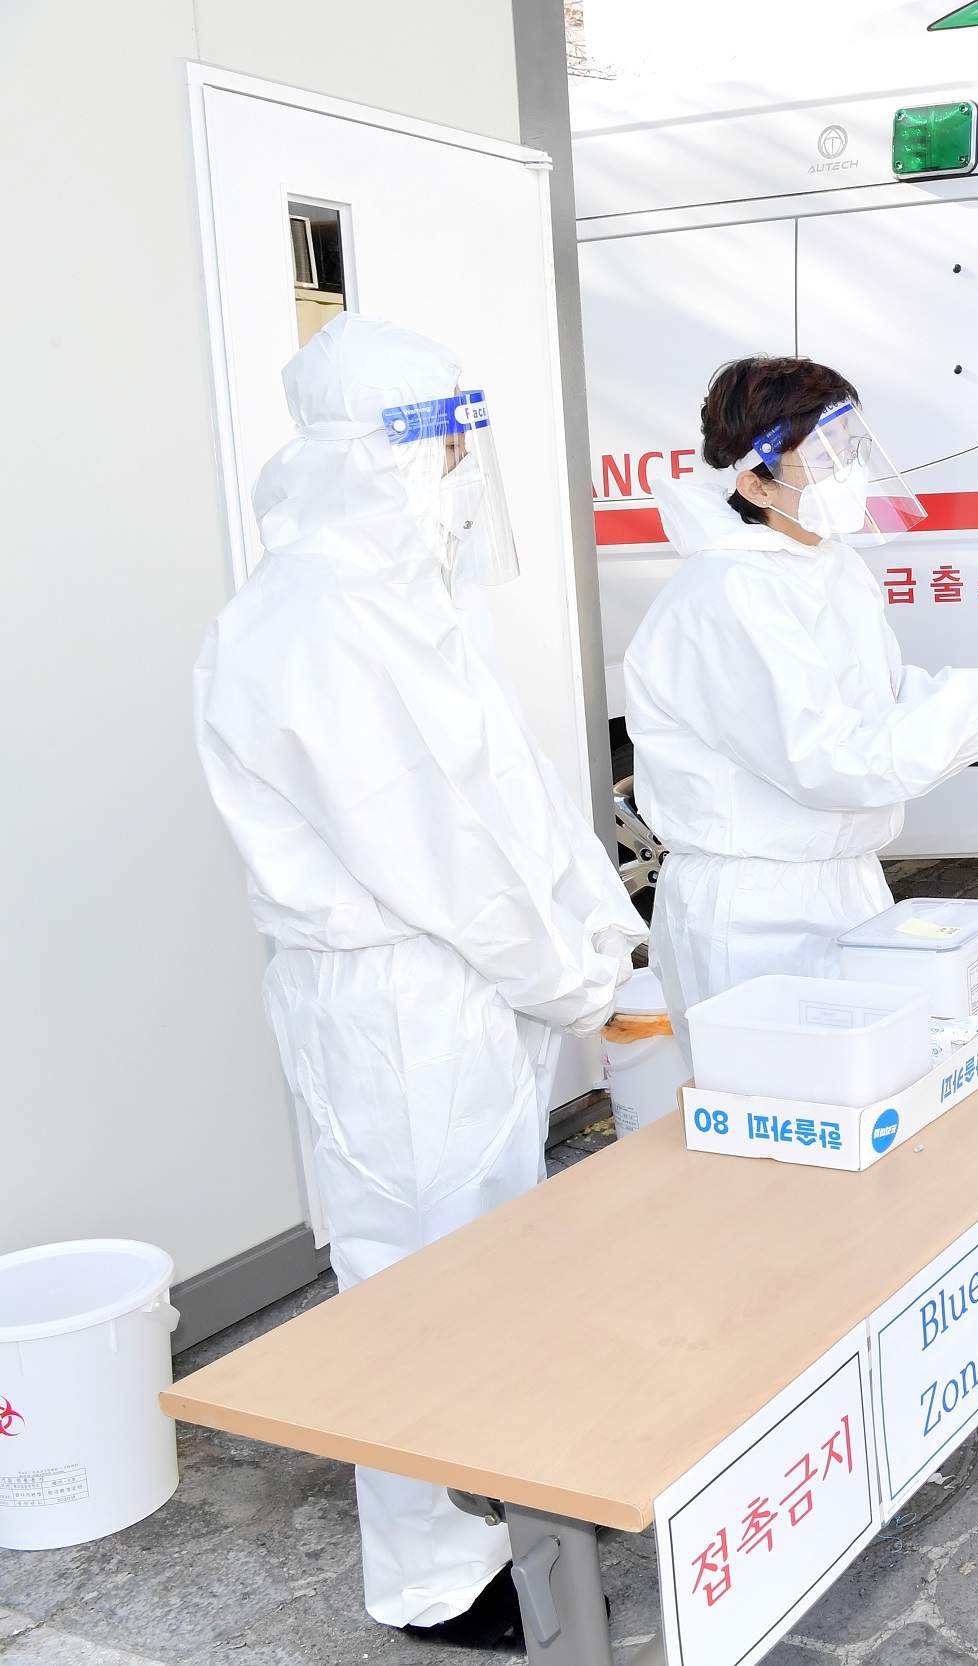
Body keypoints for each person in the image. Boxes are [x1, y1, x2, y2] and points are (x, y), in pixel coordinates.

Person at [195, 315, 646, 1647]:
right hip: (396, 1004)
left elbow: (512, 797)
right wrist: (578, 982)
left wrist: (595, 932)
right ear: (375, 457)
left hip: (460, 989)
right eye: (445, 449)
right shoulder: (311, 621)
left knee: (491, 1269)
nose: (460, 475)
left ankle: (515, 1511)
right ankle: (433, 1576)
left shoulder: (400, 603)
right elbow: (438, 853)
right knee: (416, 1290)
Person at [626, 356, 978, 1023]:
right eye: (822, 458)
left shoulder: (829, 565)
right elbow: (831, 761)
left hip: (845, 882)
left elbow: (885, 699)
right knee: (783, 1079)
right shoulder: (730, 594)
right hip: (756, 912)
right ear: (755, 486)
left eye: (849, 449)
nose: (848, 471)